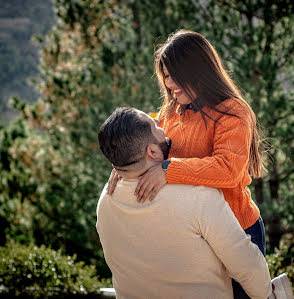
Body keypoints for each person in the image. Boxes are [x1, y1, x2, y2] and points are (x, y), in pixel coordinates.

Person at [107, 30, 267, 298]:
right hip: (195, 233)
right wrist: (124, 167)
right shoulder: (171, 111)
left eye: (175, 75)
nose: (170, 84)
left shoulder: (233, 112)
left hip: (240, 230)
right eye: (166, 76)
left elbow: (228, 170)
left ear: (199, 70)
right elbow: (145, 146)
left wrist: (169, 171)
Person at [96, 107, 272, 298]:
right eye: (156, 125)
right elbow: (248, 268)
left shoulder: (105, 202)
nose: (163, 125)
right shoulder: (199, 197)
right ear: (153, 152)